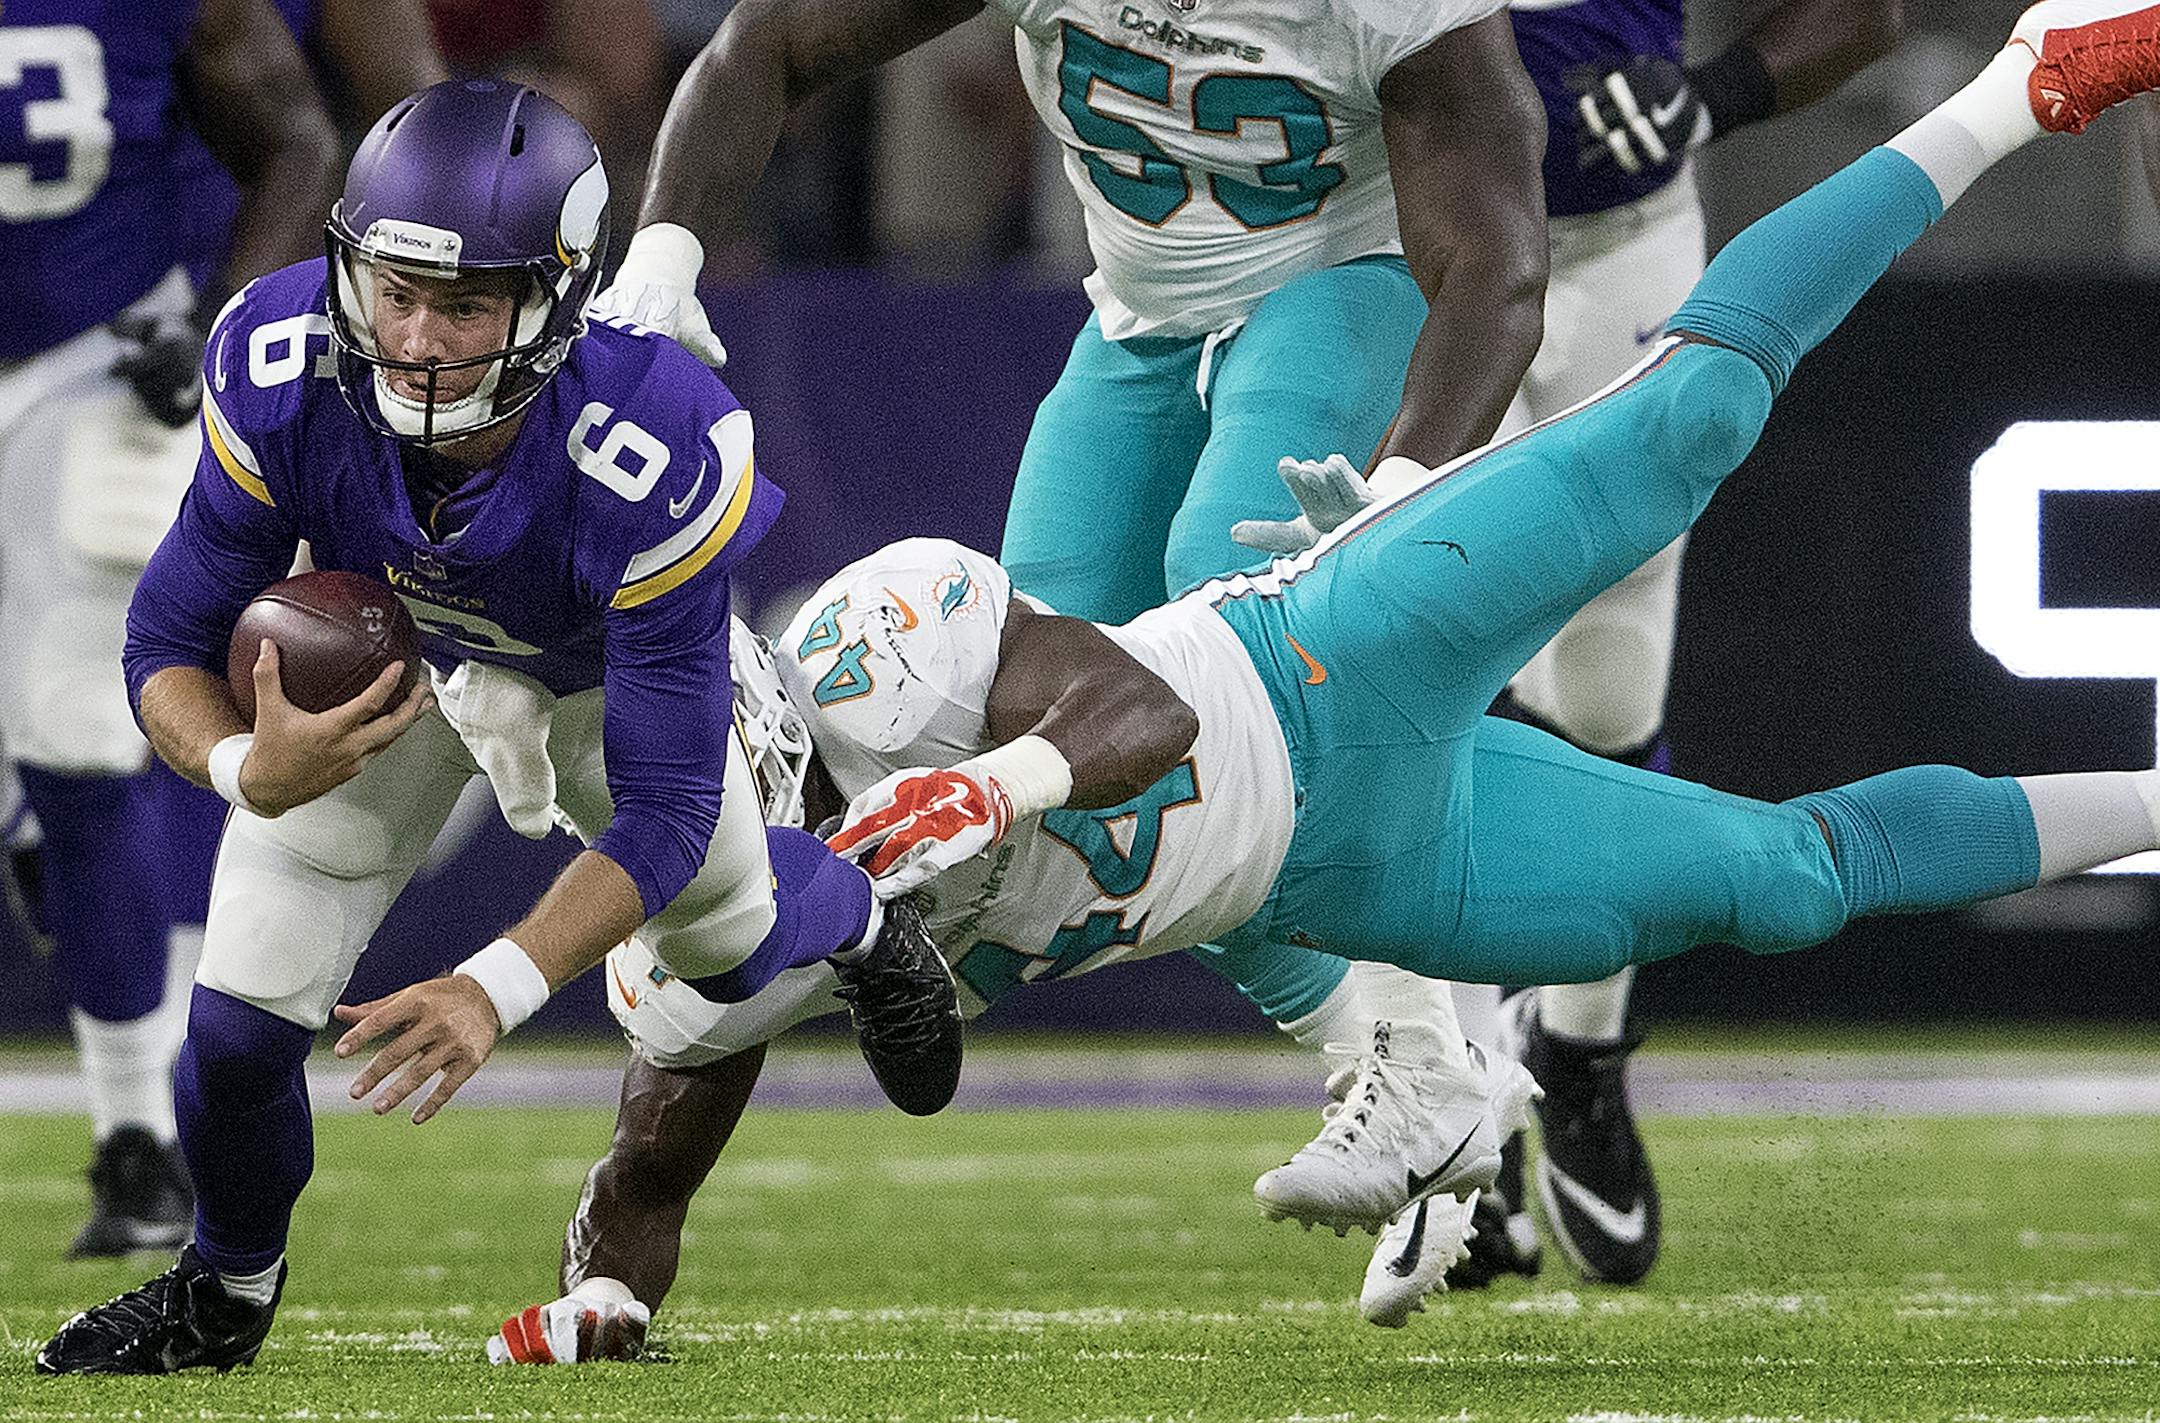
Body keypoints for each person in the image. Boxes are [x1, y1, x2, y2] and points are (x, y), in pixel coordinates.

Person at [489, 0, 2160, 1355]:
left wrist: (1414, 473)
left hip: (1318, 604)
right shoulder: (710, 953)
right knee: (1785, 882)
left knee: (1683, 422)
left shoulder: (890, 645)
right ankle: (1419, 1061)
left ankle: (2025, 80)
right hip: (1346, 834)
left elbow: (1150, 699)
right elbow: (795, 1103)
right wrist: (616, 1263)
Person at [35, 79, 962, 1379]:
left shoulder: (660, 435)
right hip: (401, 671)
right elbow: (163, 640)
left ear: (559, 299)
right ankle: (222, 1291)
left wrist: (498, 981)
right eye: (397, 289)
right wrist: (250, 758)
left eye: (467, 303)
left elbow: (664, 807)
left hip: (594, 688)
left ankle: (861, 916)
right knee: (237, 1030)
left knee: (731, 944)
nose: (416, 336)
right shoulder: (278, 355)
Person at [588, 0, 1555, 1243]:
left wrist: (1407, 485)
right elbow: (766, 41)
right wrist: (661, 260)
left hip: (1346, 287)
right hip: (1140, 322)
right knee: (1090, 760)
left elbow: (1497, 260)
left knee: (1237, 609)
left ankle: (1423, 1051)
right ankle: (1410, 1047)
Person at [1353, 0, 1907, 1314]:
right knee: (1393, 658)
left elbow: (1866, 15)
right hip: (1395, 248)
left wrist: (1708, 93)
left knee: (1603, 681)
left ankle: (1578, 1044)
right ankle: (1450, 1116)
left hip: (1624, 243)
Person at [1, 0, 340, 1260]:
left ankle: (136, 1141)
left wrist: (215, 321)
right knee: (39, 773)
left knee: (76, 739)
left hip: (93, 366)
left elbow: (302, 143)